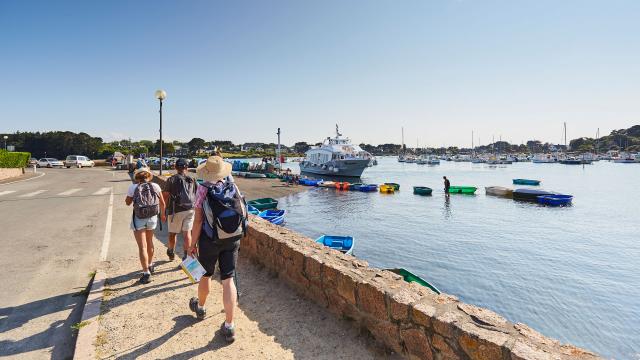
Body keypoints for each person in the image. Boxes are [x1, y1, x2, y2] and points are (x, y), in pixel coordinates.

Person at [188, 156, 246, 343]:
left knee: (206, 275)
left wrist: (191, 244)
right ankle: (229, 326)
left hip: (209, 240)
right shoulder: (232, 185)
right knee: (228, 280)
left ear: (206, 172)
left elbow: (197, 221)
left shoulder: (203, 189)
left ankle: (201, 307)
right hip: (232, 238)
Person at [125, 167, 166, 284]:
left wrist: (133, 198)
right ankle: (150, 264)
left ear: (137, 177)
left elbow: (127, 203)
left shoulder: (133, 187)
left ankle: (146, 273)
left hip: (139, 218)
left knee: (142, 246)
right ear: (148, 176)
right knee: (150, 242)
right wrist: (163, 215)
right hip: (152, 218)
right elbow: (162, 203)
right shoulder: (156, 186)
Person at [162, 158, 197, 261]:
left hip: (176, 210)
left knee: (173, 233)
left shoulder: (171, 179)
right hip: (191, 209)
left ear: (175, 167)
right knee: (187, 233)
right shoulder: (192, 179)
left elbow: (165, 196)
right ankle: (186, 257)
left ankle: (171, 251)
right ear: (186, 167)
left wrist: (163, 211)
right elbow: (197, 194)